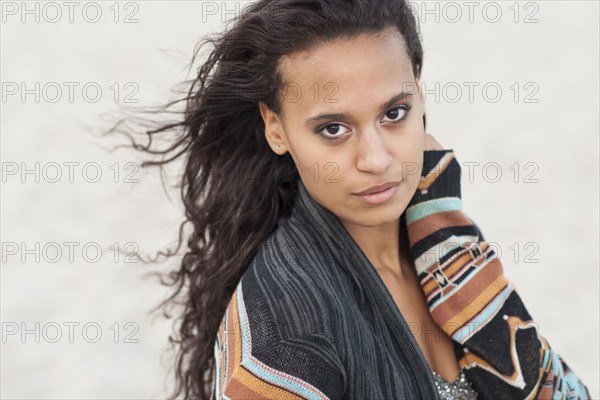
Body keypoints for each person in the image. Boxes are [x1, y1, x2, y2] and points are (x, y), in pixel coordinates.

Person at [112, 0, 591, 398]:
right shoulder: (286, 338)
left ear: (420, 93)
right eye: (333, 129)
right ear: (275, 128)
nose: (376, 159)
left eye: (394, 113)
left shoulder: (437, 216)